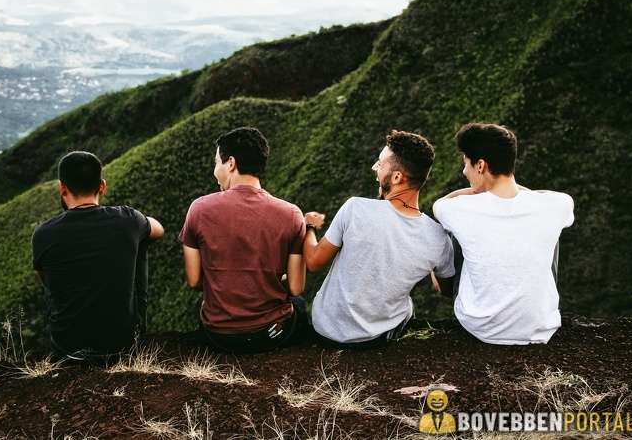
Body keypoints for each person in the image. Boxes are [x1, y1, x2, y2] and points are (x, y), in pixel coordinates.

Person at [304, 130, 456, 348]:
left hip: (326, 331)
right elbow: (446, 290)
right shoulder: (438, 238)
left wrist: (309, 226)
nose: (374, 167)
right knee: (407, 305)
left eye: (380, 163)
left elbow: (313, 262)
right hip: (376, 338)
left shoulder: (354, 208)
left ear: (397, 177)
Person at [433, 122, 574, 345]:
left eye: (466, 164)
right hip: (539, 327)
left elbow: (439, 205)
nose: (464, 171)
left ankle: (451, 293)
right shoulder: (557, 205)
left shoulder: (456, 208)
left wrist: (475, 190)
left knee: (451, 231)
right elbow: (542, 196)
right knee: (547, 229)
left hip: (480, 326)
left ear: (480, 166)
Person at [180, 127, 308, 353]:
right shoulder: (292, 214)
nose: (215, 171)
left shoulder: (199, 209)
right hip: (271, 335)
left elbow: (195, 281)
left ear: (230, 163)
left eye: (216, 163)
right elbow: (296, 287)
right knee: (299, 304)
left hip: (219, 335)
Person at [32, 151, 164, 361]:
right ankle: (134, 332)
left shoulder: (43, 234)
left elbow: (47, 282)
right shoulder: (128, 219)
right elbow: (159, 230)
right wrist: (137, 223)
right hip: (122, 345)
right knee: (141, 240)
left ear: (62, 188)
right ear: (102, 186)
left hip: (67, 348)